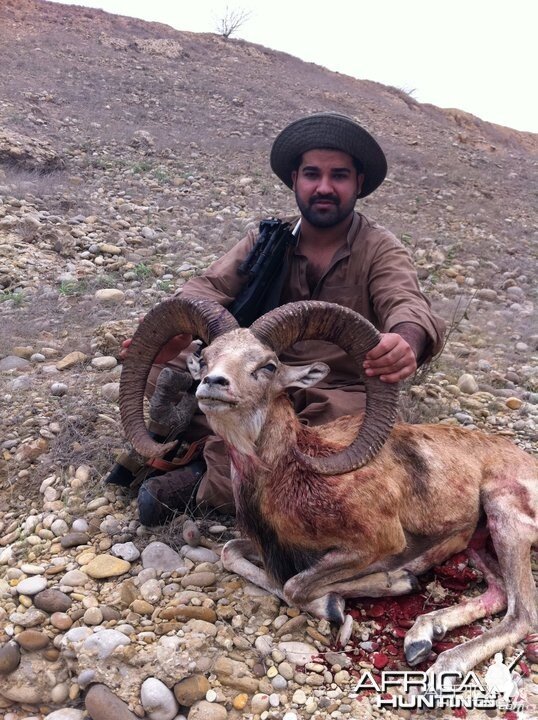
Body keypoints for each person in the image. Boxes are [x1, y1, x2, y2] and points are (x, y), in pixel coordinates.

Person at [111, 111, 446, 524]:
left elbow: (408, 305)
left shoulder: (380, 248)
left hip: (331, 387)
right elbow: (207, 287)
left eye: (339, 175)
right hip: (253, 375)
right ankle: (209, 447)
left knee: (339, 448)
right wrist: (173, 337)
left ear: (358, 183)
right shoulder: (266, 240)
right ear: (294, 180)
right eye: (312, 174)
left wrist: (405, 341)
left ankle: (206, 474)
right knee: (159, 368)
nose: (324, 187)